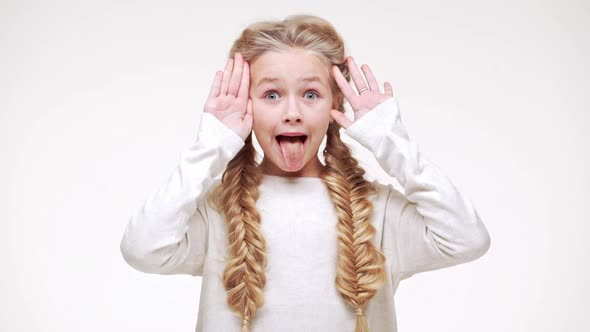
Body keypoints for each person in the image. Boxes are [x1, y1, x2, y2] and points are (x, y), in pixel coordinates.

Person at [120, 14, 491, 332]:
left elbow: (467, 239)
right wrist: (211, 147)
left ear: (335, 104)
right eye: (271, 95)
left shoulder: (376, 211)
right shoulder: (218, 210)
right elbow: (142, 249)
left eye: (311, 94)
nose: (292, 112)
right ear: (246, 106)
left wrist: (391, 142)